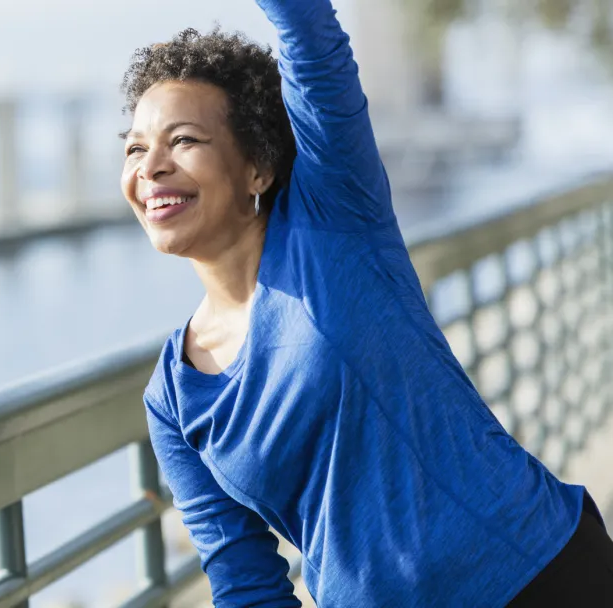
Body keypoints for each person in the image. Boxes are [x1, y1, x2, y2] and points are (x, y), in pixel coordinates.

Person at [118, 0, 613, 605]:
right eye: (135, 149)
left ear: (258, 167)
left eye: (184, 140)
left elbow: (310, 35)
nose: (152, 168)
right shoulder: (172, 397)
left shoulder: (335, 218)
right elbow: (246, 585)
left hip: (538, 576)